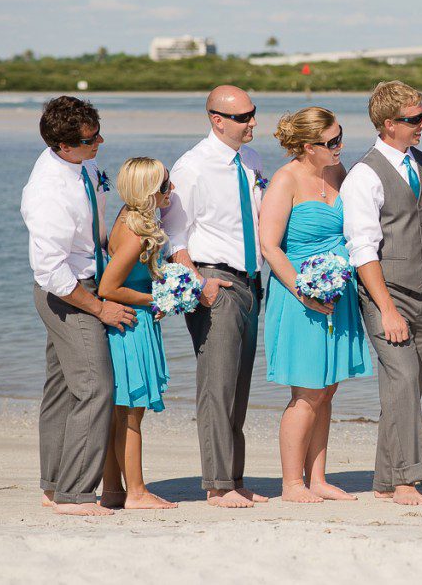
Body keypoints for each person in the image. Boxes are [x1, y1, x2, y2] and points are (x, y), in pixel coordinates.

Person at [21, 96, 134, 516]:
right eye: (90, 139)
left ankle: (53, 486)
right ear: (61, 146)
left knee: (63, 390)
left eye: (98, 132)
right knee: (95, 388)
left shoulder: (81, 162)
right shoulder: (47, 191)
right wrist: (100, 308)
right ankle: (75, 495)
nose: (99, 142)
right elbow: (51, 272)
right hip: (68, 293)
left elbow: (96, 225)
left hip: (89, 277)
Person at [161, 85, 268, 508]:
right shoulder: (192, 167)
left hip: (250, 281)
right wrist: (198, 284)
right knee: (217, 385)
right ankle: (217, 484)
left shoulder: (252, 160)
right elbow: (173, 232)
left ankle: (234, 477)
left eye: (253, 113)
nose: (252, 122)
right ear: (217, 120)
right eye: (242, 117)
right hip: (214, 281)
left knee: (239, 387)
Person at [342, 81, 422, 506]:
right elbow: (362, 248)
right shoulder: (364, 175)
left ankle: (385, 480)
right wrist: (386, 308)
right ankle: (406, 480)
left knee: (406, 387)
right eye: (414, 119)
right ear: (389, 124)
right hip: (386, 293)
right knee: (403, 381)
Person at [260, 107, 372, 503]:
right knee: (306, 393)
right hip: (299, 297)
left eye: (341, 137)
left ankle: (319, 478)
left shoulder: (339, 173)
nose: (340, 146)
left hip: (337, 293)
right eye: (332, 142)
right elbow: (270, 247)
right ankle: (291, 484)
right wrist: (303, 291)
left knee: (327, 390)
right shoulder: (285, 180)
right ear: (308, 146)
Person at [98, 157, 178, 510]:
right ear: (149, 191)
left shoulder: (127, 218)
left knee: (121, 412)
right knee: (131, 412)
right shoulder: (134, 233)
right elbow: (109, 288)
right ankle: (138, 492)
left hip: (133, 321)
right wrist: (158, 297)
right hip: (131, 323)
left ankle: (114, 490)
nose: (170, 189)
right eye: (165, 185)